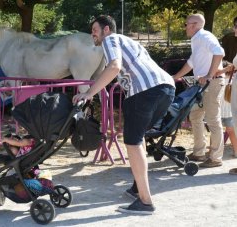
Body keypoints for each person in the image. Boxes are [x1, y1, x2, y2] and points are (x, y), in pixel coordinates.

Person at [73, 15, 175, 215]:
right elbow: (117, 71)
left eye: (95, 29)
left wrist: (88, 93)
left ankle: (145, 202)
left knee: (132, 142)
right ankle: (138, 187)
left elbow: (114, 67)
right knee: (139, 138)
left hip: (145, 90)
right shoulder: (128, 43)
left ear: (106, 30)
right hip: (165, 89)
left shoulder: (111, 40)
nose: (92, 33)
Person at [172, 13, 225, 168]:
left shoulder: (204, 36)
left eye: (185, 24)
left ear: (194, 25)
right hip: (203, 84)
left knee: (213, 120)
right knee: (195, 116)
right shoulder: (197, 39)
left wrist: (209, 75)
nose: (184, 27)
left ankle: (215, 158)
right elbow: (191, 63)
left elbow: (219, 52)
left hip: (212, 83)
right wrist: (175, 77)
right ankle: (199, 152)